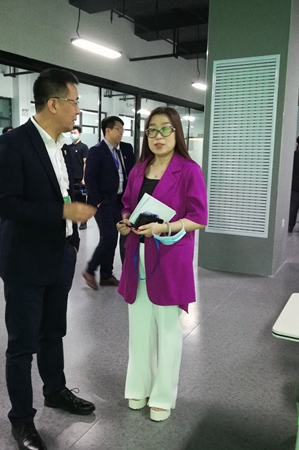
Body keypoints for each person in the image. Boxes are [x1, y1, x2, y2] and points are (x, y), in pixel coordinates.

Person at [0, 68, 97, 450]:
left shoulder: (62, 146)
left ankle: (55, 390)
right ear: (53, 104)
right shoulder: (12, 144)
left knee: (54, 331)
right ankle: (21, 421)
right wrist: (63, 212)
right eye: (74, 102)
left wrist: (71, 240)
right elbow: (6, 205)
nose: (78, 110)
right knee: (22, 345)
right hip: (25, 261)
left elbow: (61, 193)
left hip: (59, 254)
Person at [116, 107, 208, 422]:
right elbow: (127, 205)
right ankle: (138, 386)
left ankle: (163, 395)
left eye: (165, 129)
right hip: (136, 253)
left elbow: (199, 218)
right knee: (139, 326)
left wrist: (164, 227)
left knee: (167, 328)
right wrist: (125, 221)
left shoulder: (189, 170)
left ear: (177, 132)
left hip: (169, 256)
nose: (158, 136)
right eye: (152, 130)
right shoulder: (138, 169)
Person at [82, 116, 128, 290]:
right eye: (118, 129)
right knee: (108, 237)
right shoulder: (97, 151)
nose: (121, 133)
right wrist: (98, 202)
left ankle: (106, 275)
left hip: (119, 201)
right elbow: (90, 178)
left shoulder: (123, 150)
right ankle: (90, 270)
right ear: (108, 130)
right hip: (103, 202)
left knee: (114, 238)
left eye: (123, 129)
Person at [63, 125, 90, 229]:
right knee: (72, 201)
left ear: (80, 134)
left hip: (80, 179)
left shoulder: (84, 147)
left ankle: (83, 222)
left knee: (82, 200)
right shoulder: (68, 148)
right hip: (70, 179)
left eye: (75, 133)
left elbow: (85, 163)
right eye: (71, 133)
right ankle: (73, 222)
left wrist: (84, 178)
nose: (73, 135)